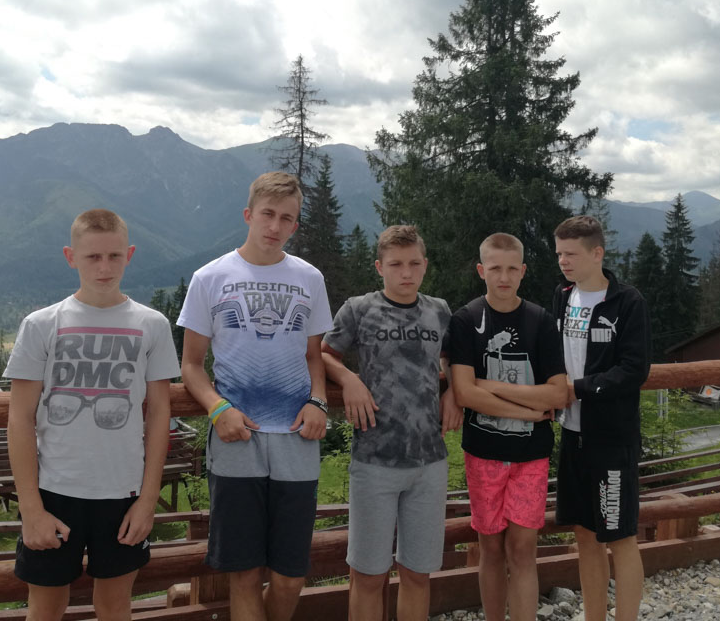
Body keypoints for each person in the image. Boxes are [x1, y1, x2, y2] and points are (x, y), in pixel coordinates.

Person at [5, 209, 178, 621]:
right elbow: (20, 419)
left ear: (129, 255)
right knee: (46, 606)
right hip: (54, 490)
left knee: (115, 605)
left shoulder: (152, 325)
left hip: (123, 493)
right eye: (93, 257)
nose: (104, 267)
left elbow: (159, 416)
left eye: (114, 256)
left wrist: (148, 500)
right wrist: (31, 509)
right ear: (71, 257)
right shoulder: (41, 325)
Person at [177, 171, 332, 621]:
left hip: (296, 437)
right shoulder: (210, 277)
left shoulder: (309, 278)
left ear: (295, 224)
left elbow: (314, 356)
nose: (275, 226)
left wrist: (319, 401)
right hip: (236, 436)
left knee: (290, 575)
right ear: (249, 214)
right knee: (243, 572)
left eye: (286, 218)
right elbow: (191, 365)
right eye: (267, 214)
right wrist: (217, 408)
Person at [321, 225, 462, 621]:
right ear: (379, 267)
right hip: (374, 459)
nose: (406, 272)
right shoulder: (359, 309)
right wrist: (349, 380)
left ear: (425, 265)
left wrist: (453, 390)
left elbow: (455, 358)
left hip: (429, 461)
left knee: (418, 573)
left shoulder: (439, 310)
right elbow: (324, 353)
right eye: (396, 264)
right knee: (368, 574)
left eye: (414, 263)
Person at [447, 232, 566, 621]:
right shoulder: (466, 320)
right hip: (483, 453)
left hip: (531, 456)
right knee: (491, 550)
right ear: (481, 270)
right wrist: (528, 410)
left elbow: (557, 393)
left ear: (523, 271)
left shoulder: (540, 321)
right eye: (495, 268)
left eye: (512, 269)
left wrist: (490, 386)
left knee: (523, 549)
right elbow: (464, 393)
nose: (504, 277)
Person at [553, 215, 651, 621]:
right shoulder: (562, 297)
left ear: (597, 253)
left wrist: (577, 388)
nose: (563, 261)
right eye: (559, 253)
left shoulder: (628, 302)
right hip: (571, 434)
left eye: (571, 254)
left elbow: (634, 369)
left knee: (620, 536)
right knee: (584, 535)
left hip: (611, 438)